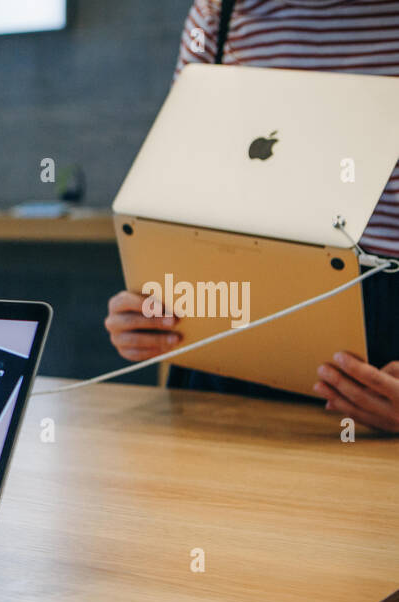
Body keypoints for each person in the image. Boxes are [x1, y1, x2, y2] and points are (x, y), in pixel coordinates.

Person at [102, 0, 399, 433]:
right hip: (222, 350)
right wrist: (146, 313)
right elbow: (178, 191)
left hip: (378, 365)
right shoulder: (217, 15)